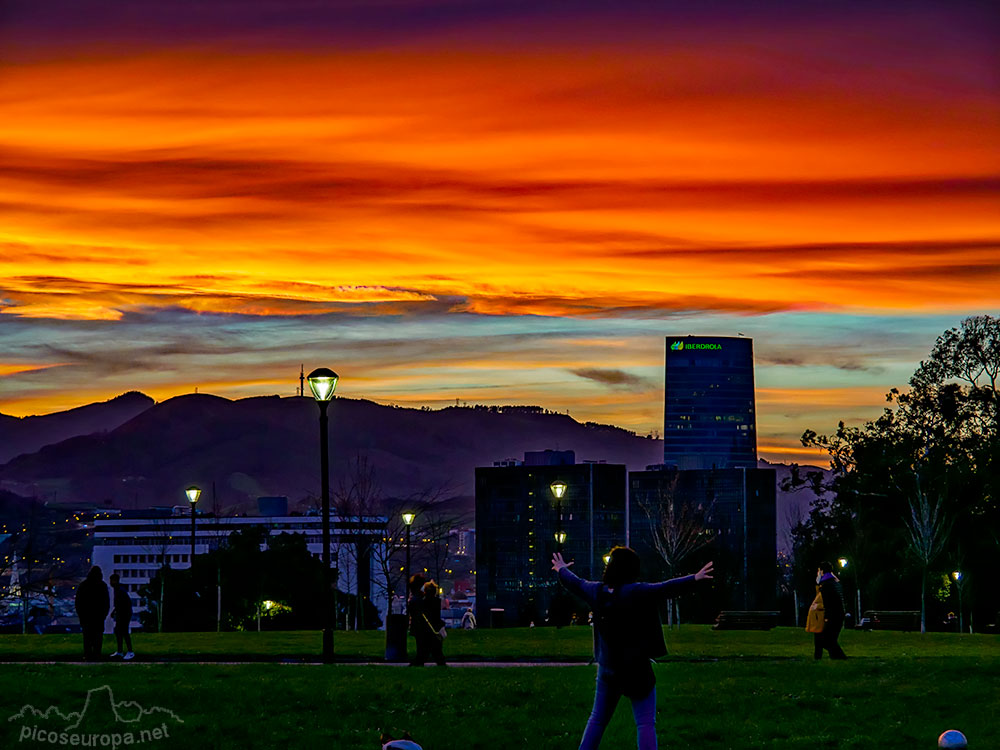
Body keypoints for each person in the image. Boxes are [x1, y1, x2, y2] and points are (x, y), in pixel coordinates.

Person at [552, 547, 713, 750]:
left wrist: (561, 569)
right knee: (645, 724)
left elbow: (575, 583)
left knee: (597, 720)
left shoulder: (596, 591)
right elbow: (664, 588)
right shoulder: (636, 592)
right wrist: (695, 578)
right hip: (637, 671)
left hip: (608, 670)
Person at [75, 566, 110, 661]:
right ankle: (97, 655)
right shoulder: (102, 585)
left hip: (86, 616)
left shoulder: (83, 585)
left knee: (87, 637)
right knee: (98, 638)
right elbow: (106, 602)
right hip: (98, 617)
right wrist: (103, 615)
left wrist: (81, 615)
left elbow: (78, 602)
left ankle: (88, 655)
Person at [815, 561, 848, 660]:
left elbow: (828, 603)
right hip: (839, 615)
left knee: (827, 640)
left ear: (822, 571)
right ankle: (836, 658)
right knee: (830, 640)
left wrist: (826, 618)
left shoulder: (826, 585)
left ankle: (841, 658)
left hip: (833, 616)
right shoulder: (835, 582)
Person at [109, 573, 135, 661]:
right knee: (119, 632)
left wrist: (116, 612)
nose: (111, 583)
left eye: (112, 581)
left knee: (123, 632)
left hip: (124, 614)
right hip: (122, 613)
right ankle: (120, 651)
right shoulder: (119, 590)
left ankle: (130, 651)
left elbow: (123, 603)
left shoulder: (120, 591)